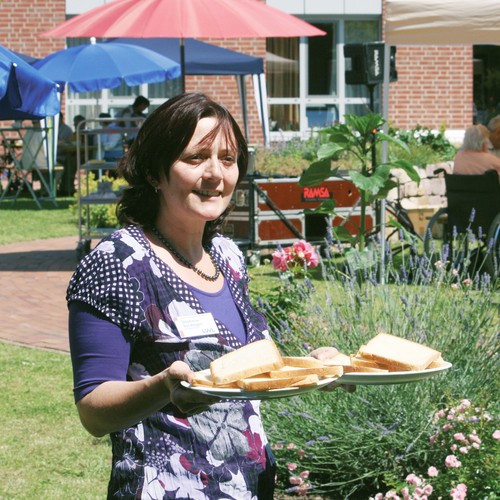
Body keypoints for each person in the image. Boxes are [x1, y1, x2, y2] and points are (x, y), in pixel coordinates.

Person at [66, 93, 348, 499]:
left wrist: (313, 369)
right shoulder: (118, 262)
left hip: (250, 485)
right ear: (155, 172)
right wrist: (163, 387)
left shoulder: (228, 257)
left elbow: (251, 367)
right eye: (196, 158)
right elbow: (93, 410)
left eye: (228, 159)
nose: (216, 174)